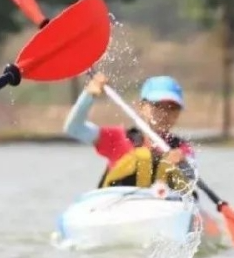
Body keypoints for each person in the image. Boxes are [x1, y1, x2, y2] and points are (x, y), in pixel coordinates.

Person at [64, 73, 197, 195]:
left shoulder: (182, 149)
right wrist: (88, 95)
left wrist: (183, 165)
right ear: (142, 107)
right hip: (117, 212)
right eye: (158, 105)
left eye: (172, 108)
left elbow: (191, 177)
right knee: (142, 156)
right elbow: (74, 128)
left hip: (161, 211)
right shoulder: (118, 138)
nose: (165, 113)